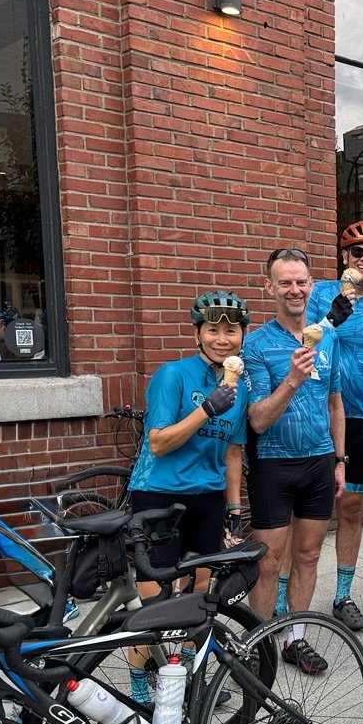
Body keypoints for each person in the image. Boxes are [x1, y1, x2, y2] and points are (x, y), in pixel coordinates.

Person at [275, 220, 363, 632]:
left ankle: (343, 596)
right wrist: (333, 317)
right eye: (357, 252)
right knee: (301, 514)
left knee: (351, 508)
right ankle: (281, 598)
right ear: (344, 257)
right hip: (315, 414)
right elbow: (301, 343)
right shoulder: (316, 296)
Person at [125, 290, 250, 702]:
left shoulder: (240, 388)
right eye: (212, 330)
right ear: (198, 333)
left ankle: (187, 677)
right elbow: (159, 442)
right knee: (156, 600)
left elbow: (233, 452)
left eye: (231, 331)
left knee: (200, 595)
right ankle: (142, 681)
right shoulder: (171, 375)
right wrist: (206, 410)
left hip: (209, 498)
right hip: (158, 495)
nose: (222, 339)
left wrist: (234, 511)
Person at [242, 247, 349, 675]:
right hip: (274, 464)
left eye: (301, 281)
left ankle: (295, 639)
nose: (294, 290)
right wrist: (292, 378)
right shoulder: (256, 343)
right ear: (269, 287)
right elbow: (258, 419)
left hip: (319, 462)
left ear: (311, 285)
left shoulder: (329, 338)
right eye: (284, 282)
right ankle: (259, 642)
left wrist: (340, 461)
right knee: (267, 562)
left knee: (307, 557)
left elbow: (336, 404)